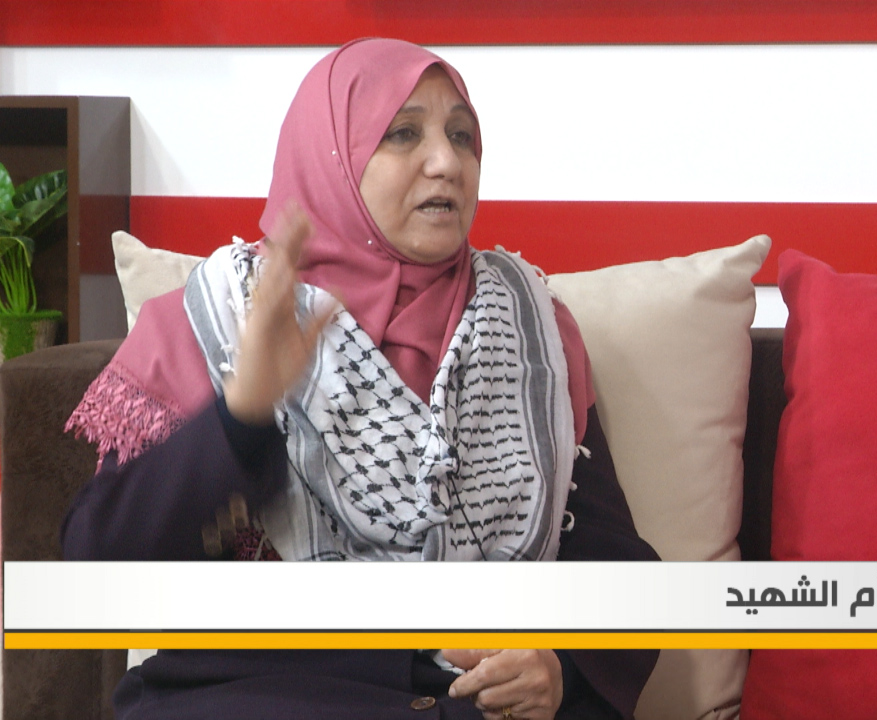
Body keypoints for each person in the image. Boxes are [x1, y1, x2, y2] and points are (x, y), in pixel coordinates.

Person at [62, 38, 660, 720]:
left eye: (462, 136)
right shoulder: (223, 320)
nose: (447, 161)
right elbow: (97, 568)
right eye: (403, 133)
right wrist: (240, 417)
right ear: (331, 161)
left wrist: (563, 669)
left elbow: (616, 570)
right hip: (256, 695)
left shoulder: (529, 332)